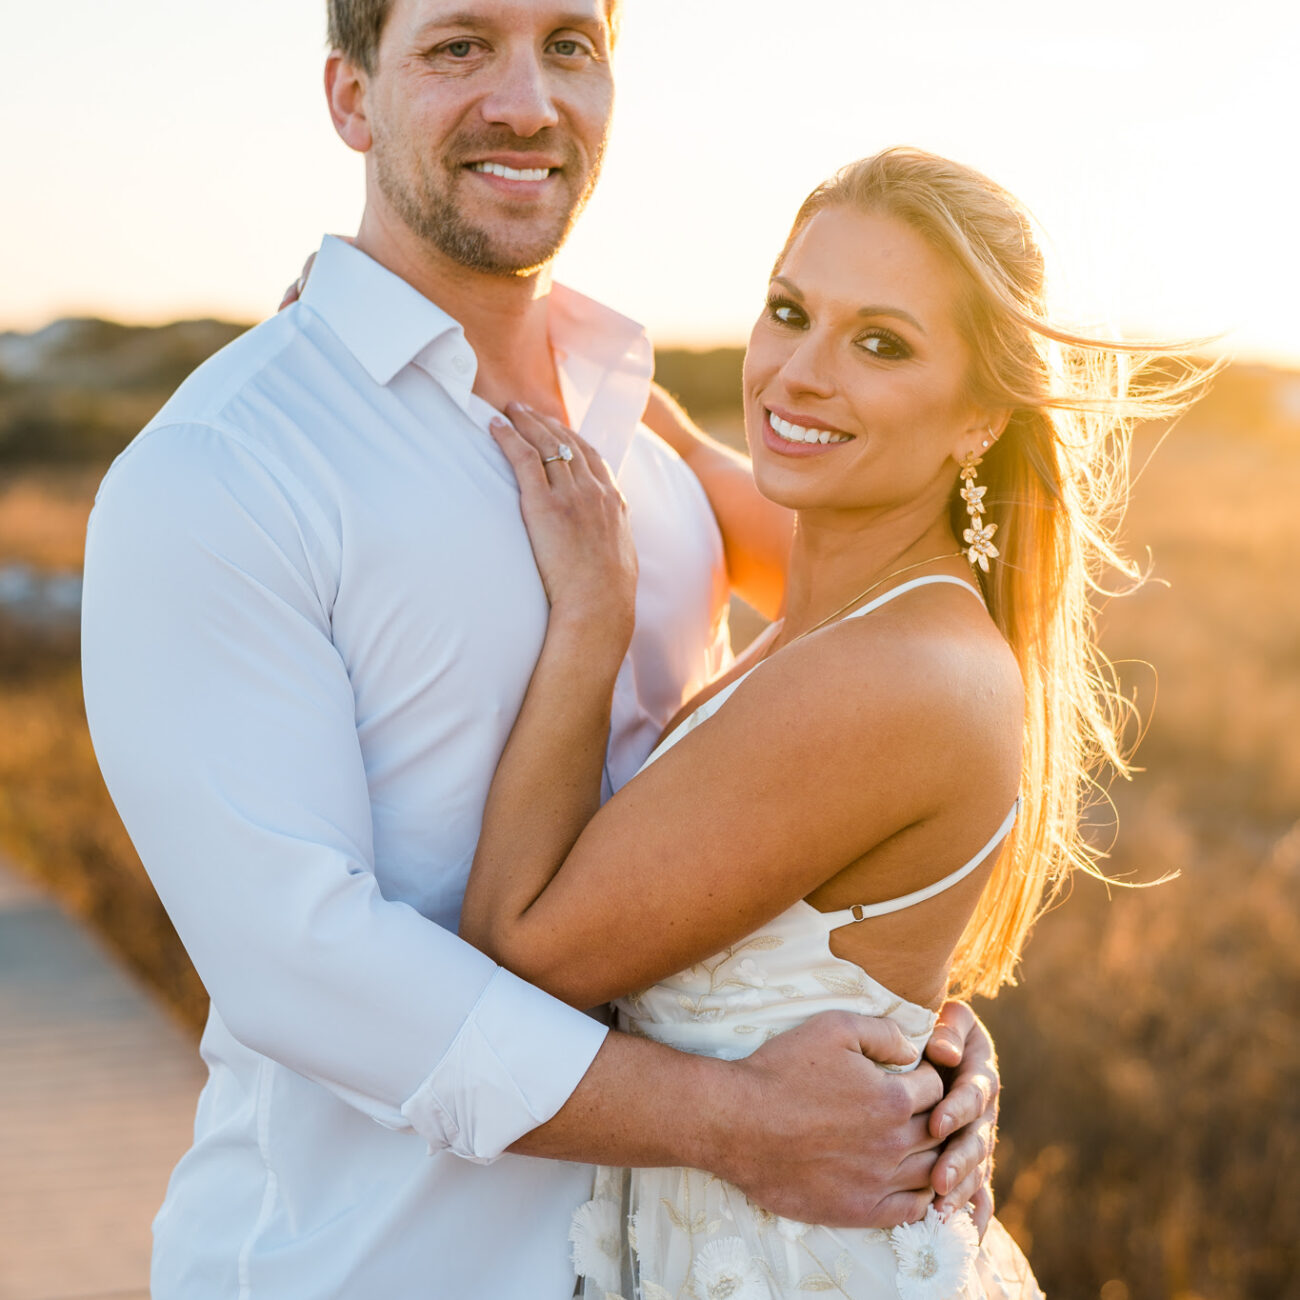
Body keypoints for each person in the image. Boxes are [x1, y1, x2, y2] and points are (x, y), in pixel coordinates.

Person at [80, 3, 1002, 1296]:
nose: (528, 102)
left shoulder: (646, 421)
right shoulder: (223, 471)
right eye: (460, 46)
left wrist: (906, 1031)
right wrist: (741, 1123)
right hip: (374, 1268)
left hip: (681, 1262)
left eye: (570, 43)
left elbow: (902, 669)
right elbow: (304, 966)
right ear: (350, 98)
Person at [456, 147, 1210, 1298]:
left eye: (881, 343)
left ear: (978, 417)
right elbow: (667, 432)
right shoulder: (844, 570)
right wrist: (412, 308)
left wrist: (591, 621)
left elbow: (518, 960)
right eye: (788, 310)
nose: (798, 374)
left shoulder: (894, 674)